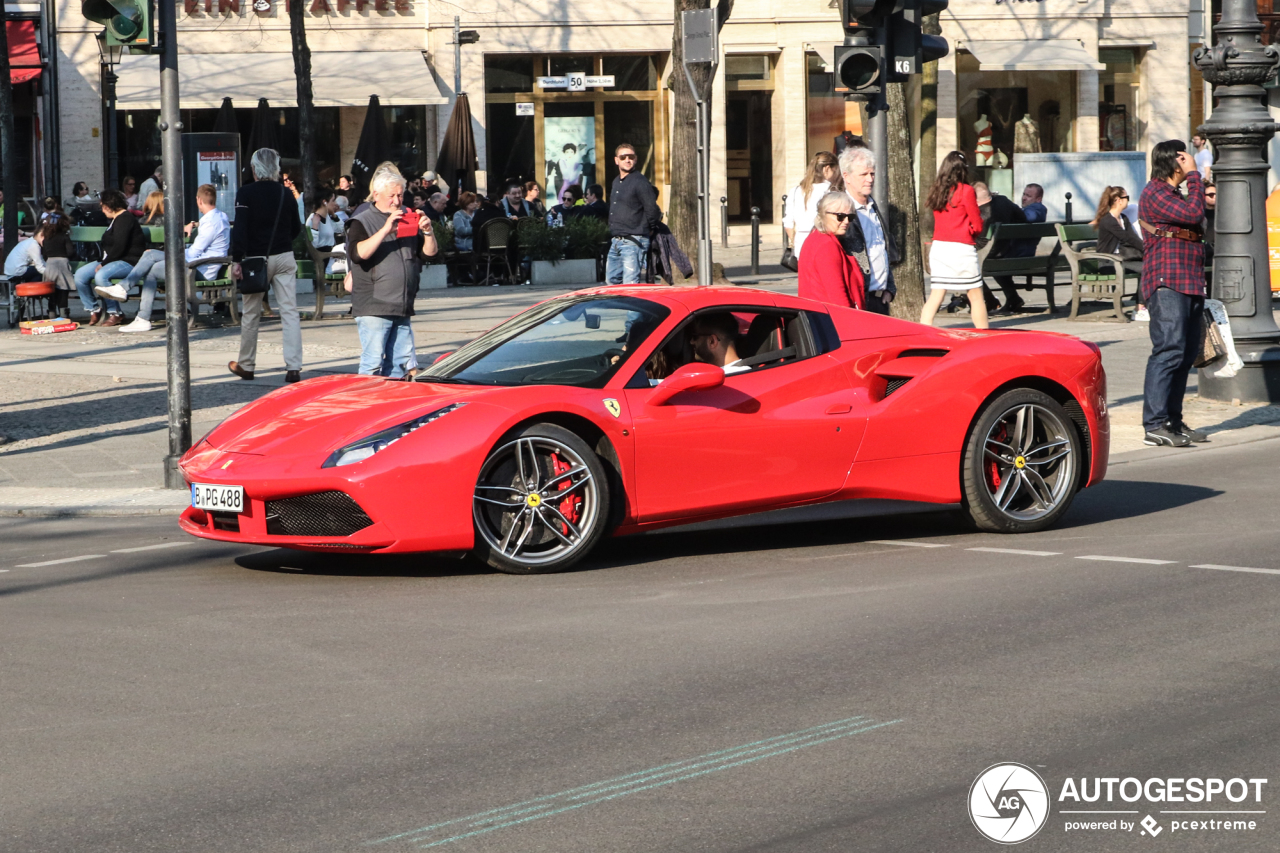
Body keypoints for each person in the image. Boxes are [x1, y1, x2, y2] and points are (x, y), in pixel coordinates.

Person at [1139, 140, 1209, 448]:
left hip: (1189, 280)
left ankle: (1173, 421)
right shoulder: (1154, 191)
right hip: (1167, 280)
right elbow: (1195, 214)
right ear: (1174, 161)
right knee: (1168, 351)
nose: (1189, 161)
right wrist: (1195, 175)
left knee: (1183, 355)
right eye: (1184, 157)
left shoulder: (1173, 194)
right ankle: (1154, 424)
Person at [346, 162, 438, 379]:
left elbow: (429, 254)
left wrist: (428, 232)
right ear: (376, 194)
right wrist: (386, 228)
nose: (397, 201)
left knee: (401, 366)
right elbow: (359, 254)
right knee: (373, 363)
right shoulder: (361, 220)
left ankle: (391, 406)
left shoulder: (407, 215)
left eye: (400, 195)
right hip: (374, 305)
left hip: (402, 303)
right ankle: (367, 407)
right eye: (392, 196)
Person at [228, 148, 304, 382]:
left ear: (253, 169)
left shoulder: (245, 193)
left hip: (254, 260)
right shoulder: (285, 193)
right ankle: (293, 367)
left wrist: (236, 259)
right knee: (289, 311)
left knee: (251, 312)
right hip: (283, 255)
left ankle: (247, 364)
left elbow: (240, 229)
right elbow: (296, 228)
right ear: (276, 169)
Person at [920, 151, 987, 329]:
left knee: (936, 294)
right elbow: (977, 223)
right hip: (961, 248)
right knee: (975, 295)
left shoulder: (937, 191)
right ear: (963, 169)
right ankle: (983, 334)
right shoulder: (967, 191)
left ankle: (923, 330)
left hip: (940, 247)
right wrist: (972, 230)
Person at [838, 146, 897, 315]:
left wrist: (890, 289)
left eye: (872, 174)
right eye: (863, 175)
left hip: (879, 300)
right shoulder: (839, 211)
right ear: (846, 176)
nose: (869, 179)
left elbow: (881, 249)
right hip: (857, 302)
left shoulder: (872, 206)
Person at [73, 189, 144, 326]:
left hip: (128, 260)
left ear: (109, 206)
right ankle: (93, 308)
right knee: (80, 275)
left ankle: (114, 312)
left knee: (101, 276)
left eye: (102, 206)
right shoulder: (115, 219)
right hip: (111, 259)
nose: (102, 209)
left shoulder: (125, 219)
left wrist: (104, 263)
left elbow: (120, 247)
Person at [797, 191, 865, 310]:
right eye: (840, 216)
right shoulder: (827, 246)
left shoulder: (815, 237)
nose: (846, 221)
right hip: (828, 318)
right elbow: (838, 297)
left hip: (817, 315)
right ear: (824, 214)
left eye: (850, 217)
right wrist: (852, 321)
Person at [607, 142, 661, 284]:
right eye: (623, 157)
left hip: (633, 240)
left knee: (630, 283)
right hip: (616, 240)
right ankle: (617, 307)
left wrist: (648, 229)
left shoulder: (640, 182)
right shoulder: (616, 182)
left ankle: (630, 307)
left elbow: (652, 209)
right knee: (612, 281)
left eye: (631, 157)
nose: (627, 160)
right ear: (616, 160)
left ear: (636, 159)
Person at [973, 182, 1024, 314]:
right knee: (995, 261)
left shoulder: (979, 212)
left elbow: (980, 242)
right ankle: (1013, 298)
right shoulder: (1003, 201)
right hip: (1006, 251)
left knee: (965, 264)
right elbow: (1022, 218)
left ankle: (989, 299)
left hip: (989, 253)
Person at [784, 151, 841, 261]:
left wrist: (795, 240)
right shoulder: (831, 191)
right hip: (824, 241)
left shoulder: (795, 191)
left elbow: (788, 223)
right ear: (827, 169)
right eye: (835, 171)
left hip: (801, 242)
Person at [39, 216, 75, 309]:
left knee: (51, 289)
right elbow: (70, 252)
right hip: (63, 263)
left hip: (50, 264)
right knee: (64, 288)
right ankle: (64, 311)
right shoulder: (64, 237)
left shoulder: (46, 239)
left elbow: (44, 254)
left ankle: (51, 311)